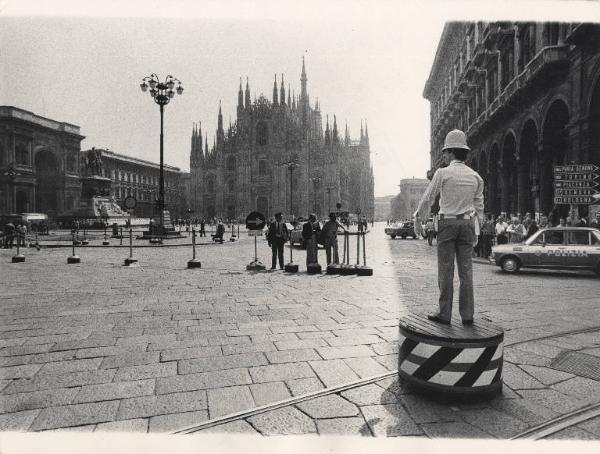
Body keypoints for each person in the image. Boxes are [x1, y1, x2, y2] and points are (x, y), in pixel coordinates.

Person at [414, 129, 484, 326]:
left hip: (447, 223)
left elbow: (428, 197)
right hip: (468, 224)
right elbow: (480, 207)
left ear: (452, 152)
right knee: (466, 271)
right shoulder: (476, 176)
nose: (443, 155)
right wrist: (476, 231)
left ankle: (444, 314)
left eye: (445, 152)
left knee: (445, 270)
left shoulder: (443, 173)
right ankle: (468, 315)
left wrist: (418, 218)